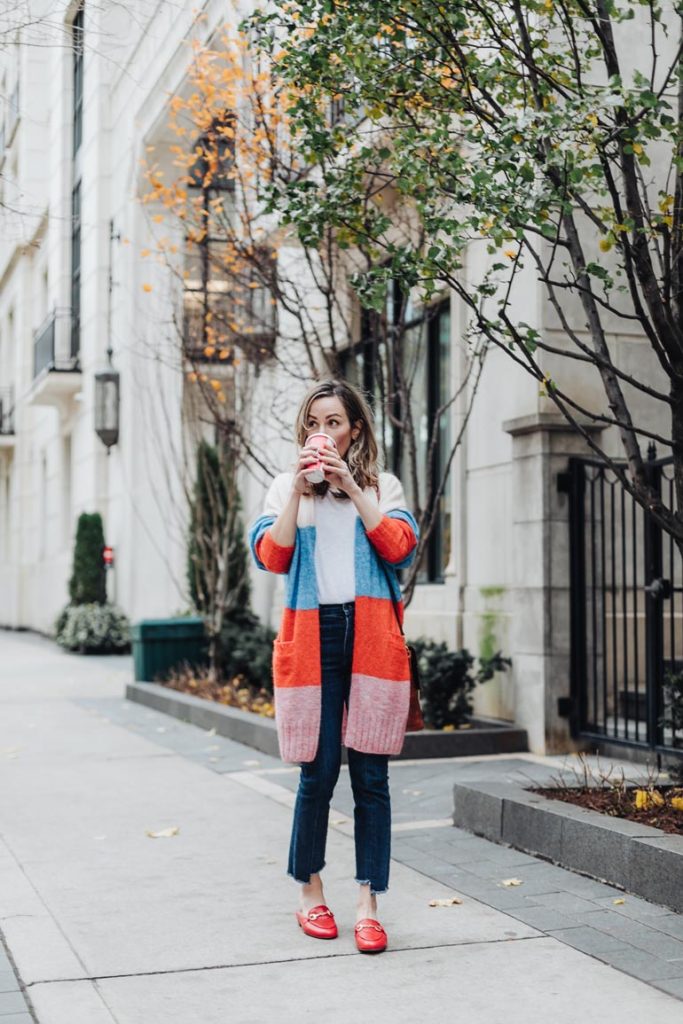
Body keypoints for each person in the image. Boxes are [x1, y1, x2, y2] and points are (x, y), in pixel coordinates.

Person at [248, 378, 419, 954]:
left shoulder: (381, 483)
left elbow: (399, 546)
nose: (323, 432)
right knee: (317, 773)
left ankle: (369, 903)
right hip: (312, 634)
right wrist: (298, 493)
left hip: (368, 635)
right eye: (314, 423)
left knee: (372, 778)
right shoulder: (283, 487)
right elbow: (271, 556)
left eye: (334, 423)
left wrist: (350, 483)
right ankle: (310, 892)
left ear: (355, 430)